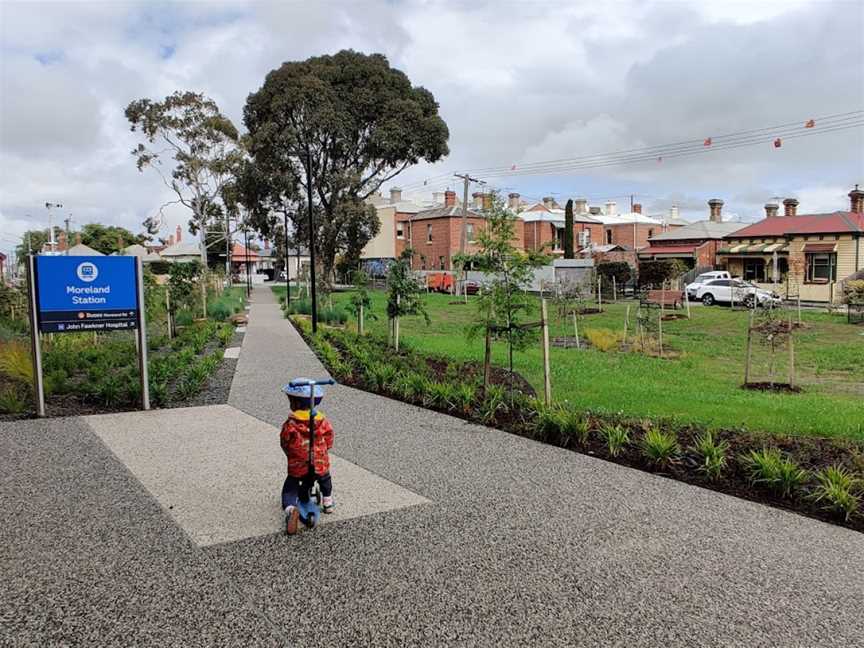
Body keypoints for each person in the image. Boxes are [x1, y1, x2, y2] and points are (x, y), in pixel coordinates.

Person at [280, 379, 335, 535]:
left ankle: (291, 509)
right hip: (319, 461)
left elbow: (285, 440)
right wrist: (325, 449)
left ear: (295, 403)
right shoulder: (322, 421)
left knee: (291, 486)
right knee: (325, 477)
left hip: (298, 462)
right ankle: (328, 502)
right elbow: (329, 436)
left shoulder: (291, 423)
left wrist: (290, 452)